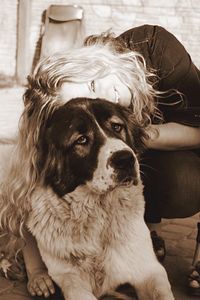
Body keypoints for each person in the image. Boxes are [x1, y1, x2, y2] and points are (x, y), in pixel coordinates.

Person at [0, 24, 200, 297]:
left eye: (93, 84)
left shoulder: (154, 44)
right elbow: (29, 184)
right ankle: (146, 234)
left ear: (91, 62)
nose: (107, 98)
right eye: (91, 102)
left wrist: (130, 133)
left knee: (184, 182)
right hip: (138, 152)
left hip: (187, 145)